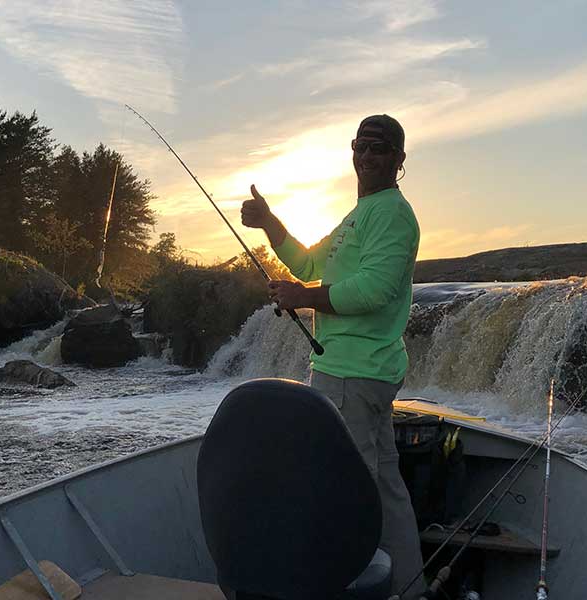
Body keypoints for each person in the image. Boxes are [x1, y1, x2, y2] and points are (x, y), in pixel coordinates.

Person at [241, 114, 424, 598]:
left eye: (379, 148)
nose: (366, 156)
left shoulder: (391, 213)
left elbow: (375, 290)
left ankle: (353, 589)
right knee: (384, 487)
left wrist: (305, 298)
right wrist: (270, 223)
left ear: (399, 160)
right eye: (360, 145)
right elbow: (305, 263)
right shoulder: (357, 216)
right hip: (358, 375)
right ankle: (408, 587)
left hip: (352, 376)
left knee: (349, 495)